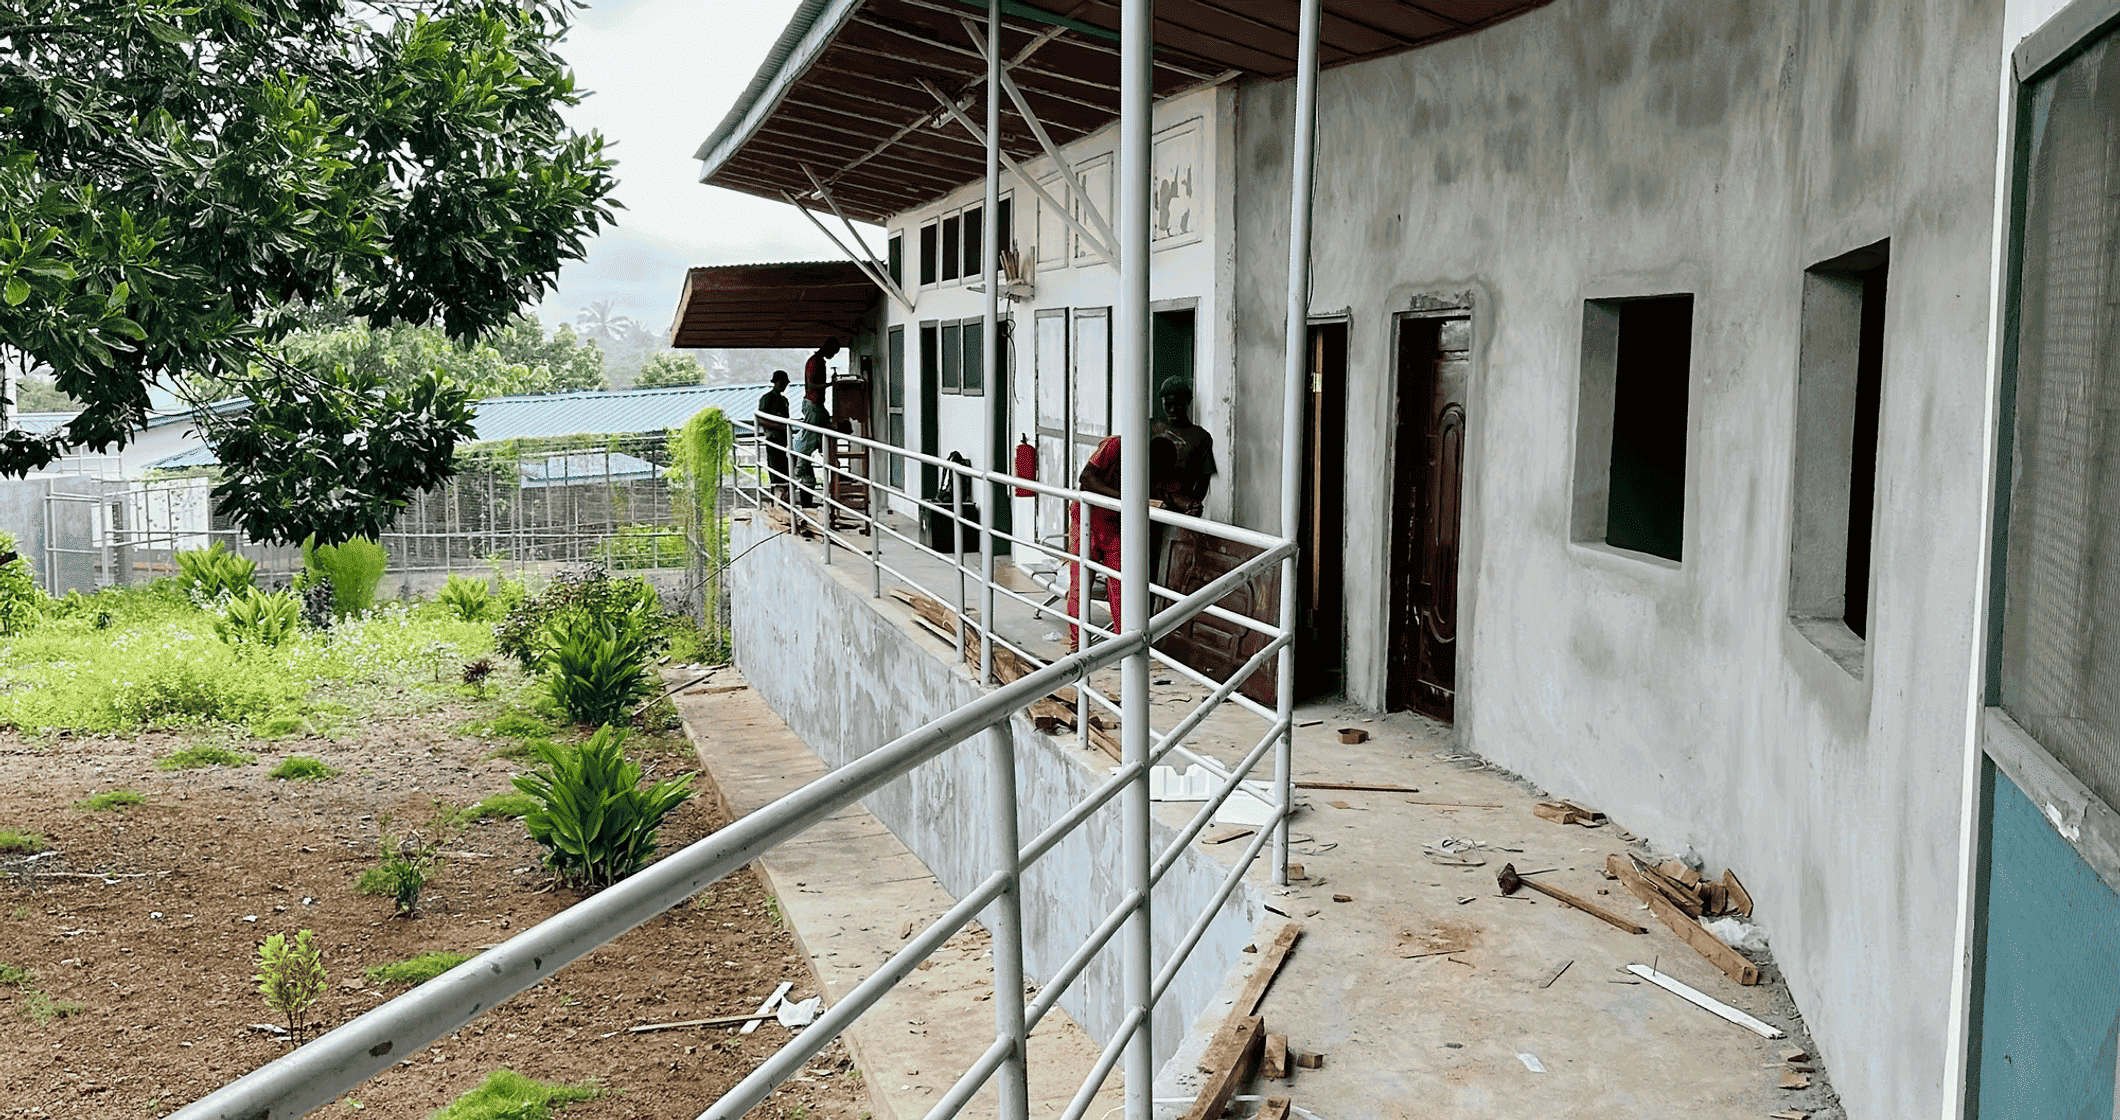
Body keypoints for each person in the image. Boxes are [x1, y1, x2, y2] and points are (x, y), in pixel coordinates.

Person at [1066, 434, 1179, 650]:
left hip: (1115, 525)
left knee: (1122, 585)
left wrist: (1188, 504)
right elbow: (1087, 478)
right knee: (1081, 583)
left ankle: (1123, 645)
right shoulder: (1117, 445)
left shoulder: (1158, 468)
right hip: (1087, 518)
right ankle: (1077, 645)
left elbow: (1171, 492)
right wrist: (1127, 500)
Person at [1149, 378, 1216, 516]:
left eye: (1178, 404)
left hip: (1179, 508)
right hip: (1149, 503)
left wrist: (1189, 507)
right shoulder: (1151, 427)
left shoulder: (1201, 437)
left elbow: (1203, 482)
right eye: (1168, 404)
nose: (1172, 410)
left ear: (1189, 401)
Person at [757, 370, 792, 506]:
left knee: (786, 471)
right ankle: (776, 501)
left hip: (784, 441)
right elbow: (760, 419)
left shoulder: (784, 400)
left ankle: (784, 501)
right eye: (781, 383)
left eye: (785, 384)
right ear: (775, 383)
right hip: (773, 439)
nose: (783, 386)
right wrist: (777, 425)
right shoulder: (767, 398)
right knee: (775, 470)